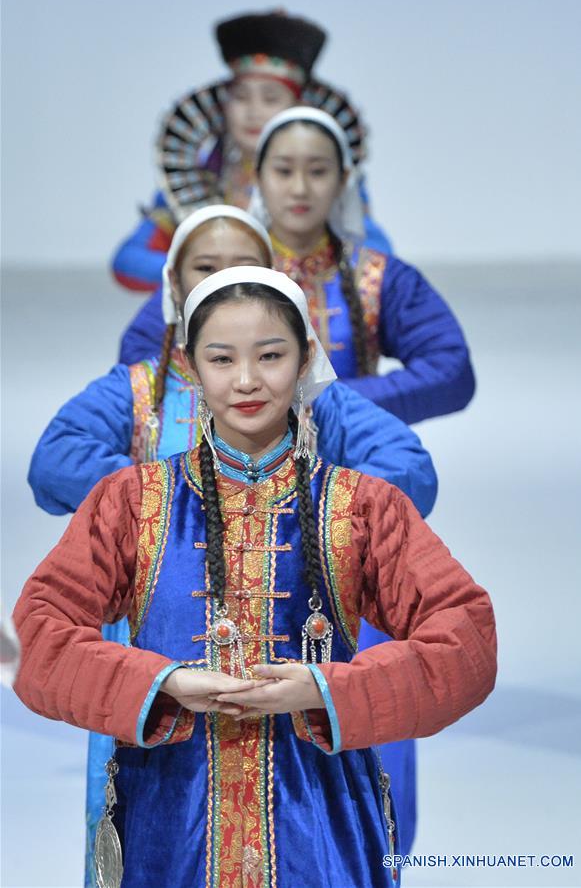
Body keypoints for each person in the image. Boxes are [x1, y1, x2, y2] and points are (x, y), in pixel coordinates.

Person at [14, 266, 497, 888]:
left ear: (305, 360)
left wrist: (327, 690)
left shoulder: (363, 505)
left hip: (321, 827)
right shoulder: (131, 501)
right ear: (190, 366)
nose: (246, 380)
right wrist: (162, 682)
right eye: (222, 359)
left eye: (270, 355)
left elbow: (467, 641)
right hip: (169, 824)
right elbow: (34, 638)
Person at [122, 107, 476, 425]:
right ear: (258, 177)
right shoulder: (227, 269)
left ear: (343, 179)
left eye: (318, 171)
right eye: (283, 171)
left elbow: (451, 371)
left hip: (349, 460)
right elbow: (138, 364)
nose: (300, 188)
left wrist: (327, 404)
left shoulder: (379, 276)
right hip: (225, 467)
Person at [113, 9, 390, 297]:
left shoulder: (325, 182)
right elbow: (127, 262)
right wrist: (210, 273)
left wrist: (293, 272)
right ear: (224, 105)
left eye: (270, 98)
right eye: (241, 97)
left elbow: (378, 255)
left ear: (298, 106)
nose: (253, 111)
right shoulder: (199, 179)